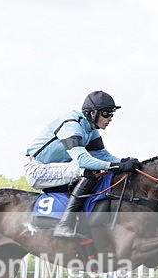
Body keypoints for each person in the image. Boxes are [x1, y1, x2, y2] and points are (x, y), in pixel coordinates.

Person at [24, 90, 142, 238]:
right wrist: (116, 166)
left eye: (112, 114)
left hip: (57, 167)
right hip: (37, 169)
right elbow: (82, 160)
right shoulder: (71, 125)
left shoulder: (91, 129)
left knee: (99, 170)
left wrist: (124, 162)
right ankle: (64, 225)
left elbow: (103, 155)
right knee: (87, 170)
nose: (110, 118)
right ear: (93, 113)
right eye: (106, 114)